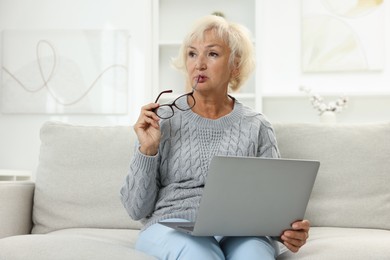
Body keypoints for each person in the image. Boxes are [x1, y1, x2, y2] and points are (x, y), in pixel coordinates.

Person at [120, 14, 310, 260]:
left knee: (255, 255)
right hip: (171, 226)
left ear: (235, 65)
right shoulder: (161, 120)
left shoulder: (257, 126)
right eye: (191, 54)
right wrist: (147, 150)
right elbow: (136, 209)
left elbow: (270, 209)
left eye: (212, 54)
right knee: (200, 254)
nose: (198, 64)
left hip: (240, 230)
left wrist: (288, 232)